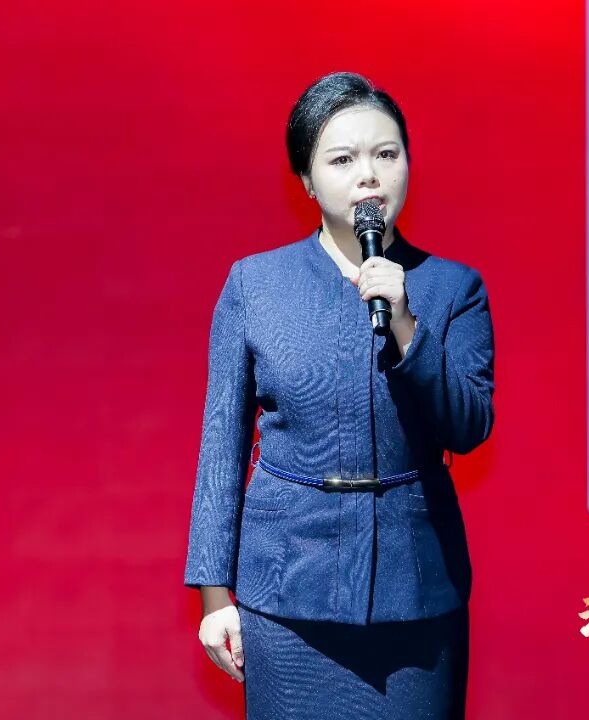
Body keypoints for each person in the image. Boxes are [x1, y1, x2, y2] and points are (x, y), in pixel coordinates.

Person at [183, 71, 495, 719]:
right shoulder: (256, 284)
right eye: (343, 159)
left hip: (417, 594)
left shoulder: (452, 288)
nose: (369, 176)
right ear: (306, 178)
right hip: (285, 591)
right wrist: (215, 596)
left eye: (387, 154)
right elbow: (221, 446)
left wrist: (405, 324)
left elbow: (468, 426)